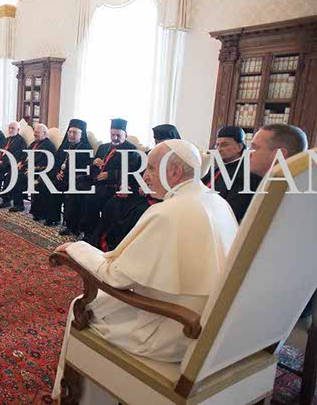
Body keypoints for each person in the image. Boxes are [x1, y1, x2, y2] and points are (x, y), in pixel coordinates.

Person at [52, 140, 238, 403]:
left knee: (82, 306)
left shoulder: (167, 212)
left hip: (173, 331)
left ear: (174, 171)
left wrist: (77, 248)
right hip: (211, 329)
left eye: (150, 167)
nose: (145, 175)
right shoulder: (217, 202)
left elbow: (115, 277)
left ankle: (79, 399)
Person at [82, 123, 181, 246]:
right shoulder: (150, 154)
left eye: (161, 143)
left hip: (163, 198)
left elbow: (179, 186)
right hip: (141, 192)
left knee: (132, 212)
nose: (158, 146)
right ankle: (101, 241)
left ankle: (125, 246)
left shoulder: (179, 161)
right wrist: (132, 186)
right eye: (156, 142)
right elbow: (136, 175)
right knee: (114, 203)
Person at [75, 118, 141, 239]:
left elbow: (131, 173)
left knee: (92, 196)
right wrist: (94, 162)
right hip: (97, 181)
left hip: (112, 185)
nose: (114, 138)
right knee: (77, 186)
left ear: (125, 135)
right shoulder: (103, 147)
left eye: (118, 135)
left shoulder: (132, 151)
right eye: (112, 134)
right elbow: (91, 166)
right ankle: (74, 226)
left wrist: (109, 174)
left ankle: (90, 233)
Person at [34, 119, 93, 227]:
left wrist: (65, 175)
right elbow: (55, 162)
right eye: (69, 132)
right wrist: (57, 173)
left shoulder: (85, 149)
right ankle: (43, 213)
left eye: (75, 133)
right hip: (59, 176)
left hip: (73, 179)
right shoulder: (65, 145)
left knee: (54, 186)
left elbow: (84, 169)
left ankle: (56, 219)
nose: (71, 135)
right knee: (43, 182)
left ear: (81, 135)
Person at [0, 123, 57, 212]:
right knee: (9, 175)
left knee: (17, 177)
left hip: (38, 172)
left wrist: (34, 168)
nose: (34, 134)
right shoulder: (34, 143)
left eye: (37, 132)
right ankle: (6, 200)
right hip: (26, 168)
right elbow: (25, 155)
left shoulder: (49, 146)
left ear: (44, 133)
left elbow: (48, 164)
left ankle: (19, 205)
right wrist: (21, 162)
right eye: (34, 132)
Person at [0, 122, 27, 202]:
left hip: (9, 164)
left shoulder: (20, 141)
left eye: (12, 128)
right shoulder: (6, 140)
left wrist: (2, 162)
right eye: (9, 128)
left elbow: (17, 156)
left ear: (18, 130)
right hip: (0, 162)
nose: (10, 130)